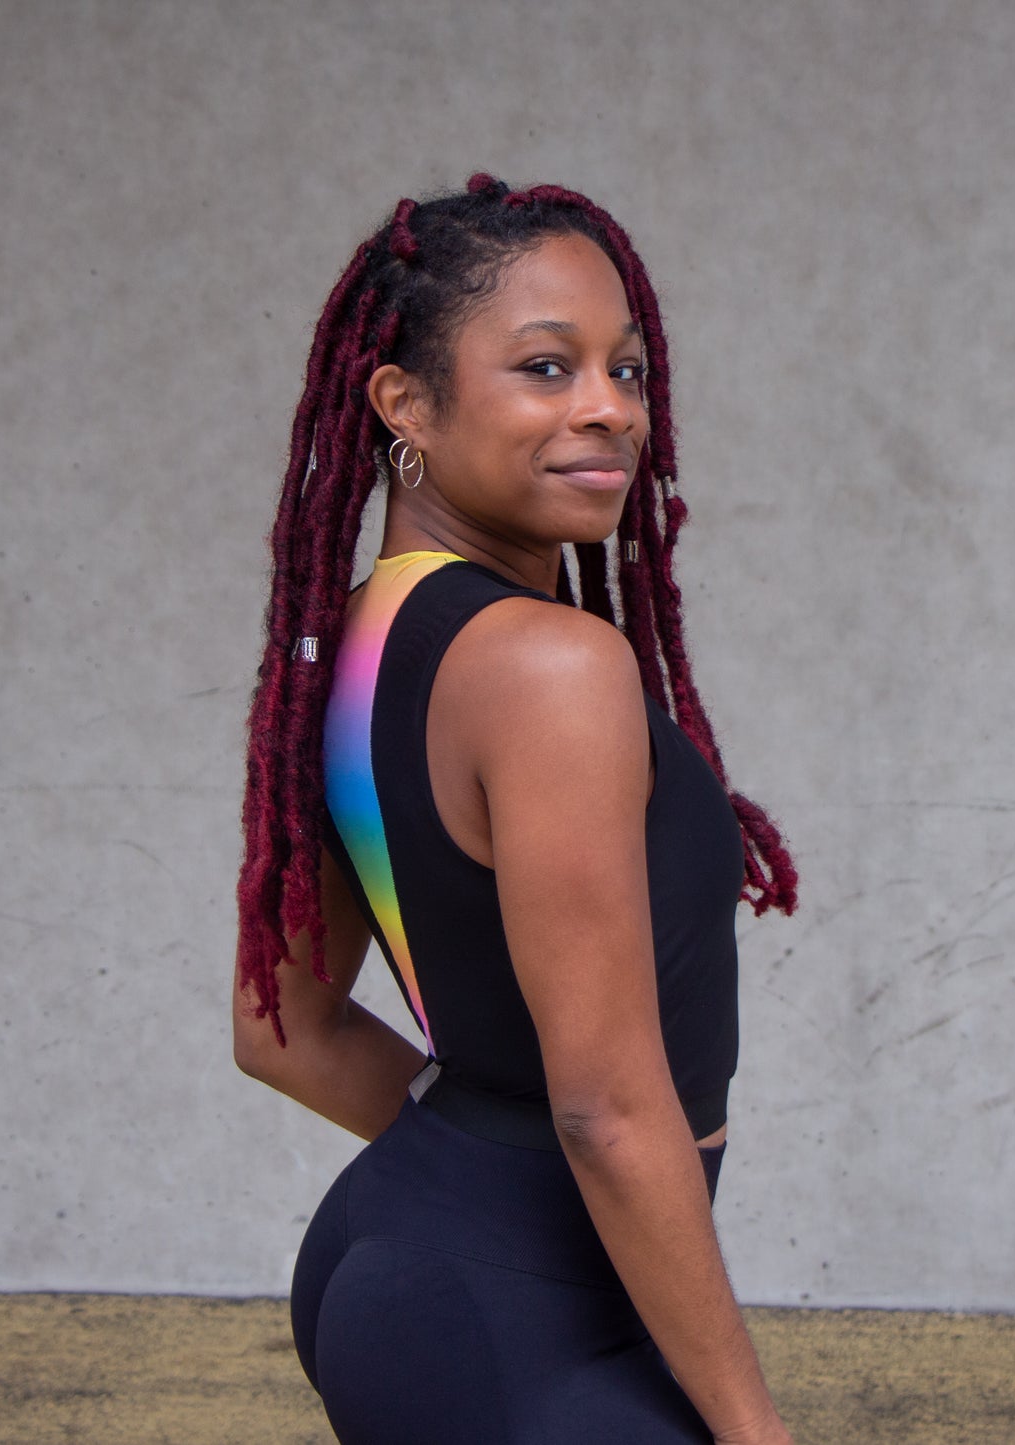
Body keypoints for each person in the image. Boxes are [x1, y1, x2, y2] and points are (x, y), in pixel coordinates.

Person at [233, 174, 799, 1445]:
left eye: (629, 369)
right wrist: (755, 1428)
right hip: (500, 1318)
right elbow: (602, 1105)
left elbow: (283, 1028)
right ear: (402, 406)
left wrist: (472, 1183)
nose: (609, 407)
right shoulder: (550, 667)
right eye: (546, 368)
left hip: (418, 1266)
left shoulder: (354, 640)